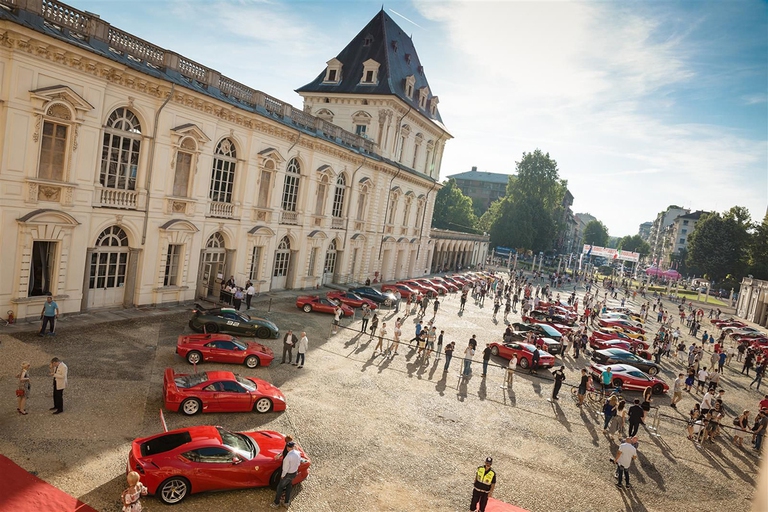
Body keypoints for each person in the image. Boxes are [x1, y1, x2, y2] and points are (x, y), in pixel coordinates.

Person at [271, 441, 301, 508]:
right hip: (294, 473)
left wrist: (282, 475)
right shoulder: (298, 453)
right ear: (293, 447)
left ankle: (276, 503)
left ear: (287, 448)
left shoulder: (288, 457)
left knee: (280, 488)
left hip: (287, 474)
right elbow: (298, 463)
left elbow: (285, 468)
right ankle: (286, 502)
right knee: (288, 487)